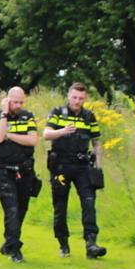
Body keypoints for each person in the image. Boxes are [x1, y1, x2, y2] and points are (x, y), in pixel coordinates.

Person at [43, 83, 107, 259]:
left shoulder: (89, 116)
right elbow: (46, 134)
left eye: (81, 99)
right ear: (68, 96)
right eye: (74, 97)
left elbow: (96, 142)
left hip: (82, 166)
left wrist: (98, 166)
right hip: (61, 166)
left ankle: (91, 243)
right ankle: (63, 244)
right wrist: (63, 131)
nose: (77, 102)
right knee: (60, 206)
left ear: (85, 99)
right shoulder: (57, 112)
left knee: (89, 203)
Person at [0, 87, 39, 263]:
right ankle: (15, 250)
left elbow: (32, 140)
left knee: (21, 211)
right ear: (7, 100)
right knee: (12, 210)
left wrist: (10, 134)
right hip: (4, 172)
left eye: (21, 102)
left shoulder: (27, 116)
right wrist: (4, 115)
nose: (18, 105)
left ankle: (9, 242)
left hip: (25, 172)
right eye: (15, 102)